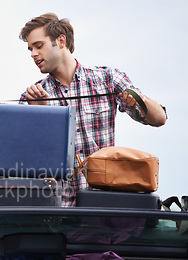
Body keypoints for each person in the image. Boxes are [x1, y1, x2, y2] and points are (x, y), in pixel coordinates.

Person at [19, 13, 167, 206]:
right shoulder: (33, 97)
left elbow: (159, 119)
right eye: (30, 49)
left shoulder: (108, 79)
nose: (33, 54)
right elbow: (24, 161)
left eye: (39, 46)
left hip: (103, 205)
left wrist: (139, 100)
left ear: (61, 41)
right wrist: (40, 115)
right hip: (56, 210)